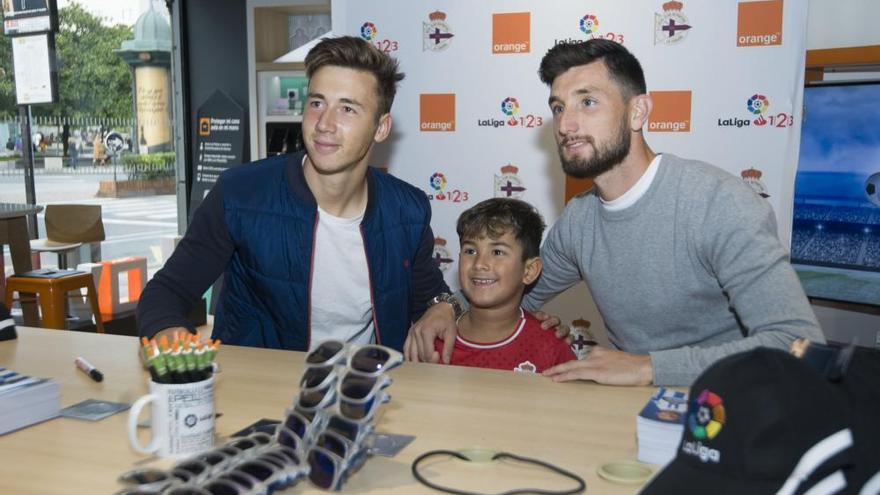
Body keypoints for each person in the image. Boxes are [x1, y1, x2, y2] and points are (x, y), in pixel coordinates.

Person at [406, 39, 823, 386]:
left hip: (730, 403)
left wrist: (648, 367)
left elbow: (799, 344)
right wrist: (447, 305)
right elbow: (512, 285)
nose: (566, 124)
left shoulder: (716, 203)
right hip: (629, 406)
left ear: (638, 111)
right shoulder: (580, 220)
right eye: (557, 107)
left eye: (587, 102)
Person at [136, 36, 454, 352]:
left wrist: (443, 305)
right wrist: (169, 333)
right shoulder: (240, 194)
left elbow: (430, 296)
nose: (324, 124)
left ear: (381, 128)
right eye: (317, 103)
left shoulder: (407, 210)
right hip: (260, 388)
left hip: (361, 390)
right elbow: (165, 293)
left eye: (347, 109)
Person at [434, 198, 576, 373]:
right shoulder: (434, 336)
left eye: (497, 252)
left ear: (529, 270)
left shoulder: (550, 346)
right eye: (470, 251)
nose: (479, 263)